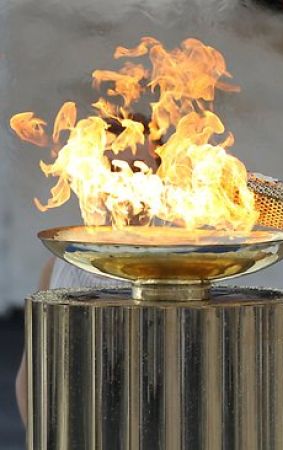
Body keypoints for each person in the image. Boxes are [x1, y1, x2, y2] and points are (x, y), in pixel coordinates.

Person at [15, 114, 159, 425]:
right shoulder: (58, 266)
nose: (126, 183)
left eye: (139, 170)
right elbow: (29, 378)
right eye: (113, 170)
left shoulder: (179, 268)